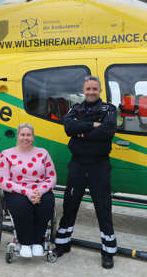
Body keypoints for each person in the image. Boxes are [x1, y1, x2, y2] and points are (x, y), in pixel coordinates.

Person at [54, 75, 117, 269]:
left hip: (99, 165)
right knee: (70, 203)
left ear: (99, 91)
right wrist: (92, 125)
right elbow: (68, 127)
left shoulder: (110, 109)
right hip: (78, 164)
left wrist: (81, 132)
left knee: (103, 207)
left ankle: (108, 251)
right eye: (88, 89)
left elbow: (107, 131)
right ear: (84, 90)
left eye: (94, 89)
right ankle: (63, 244)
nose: (91, 92)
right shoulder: (75, 108)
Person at [0, 123, 57, 258]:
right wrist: (27, 192)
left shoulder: (43, 153)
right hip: (17, 191)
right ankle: (25, 242)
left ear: (33, 137)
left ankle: (37, 241)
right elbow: (3, 181)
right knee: (22, 205)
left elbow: (52, 176)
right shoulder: (6, 154)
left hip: (39, 190)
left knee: (47, 203)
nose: (26, 138)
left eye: (28, 135)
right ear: (17, 136)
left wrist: (39, 191)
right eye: (23, 135)